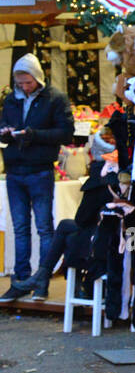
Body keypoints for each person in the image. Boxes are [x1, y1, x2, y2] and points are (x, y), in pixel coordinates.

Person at [0, 54, 75, 302]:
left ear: (38, 78)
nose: (24, 87)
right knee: (20, 228)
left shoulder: (54, 99)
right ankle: (21, 281)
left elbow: (66, 133)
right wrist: (7, 134)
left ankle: (41, 279)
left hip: (40, 169)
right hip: (14, 170)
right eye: (20, 82)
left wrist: (34, 135)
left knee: (44, 227)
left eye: (28, 82)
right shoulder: (11, 100)